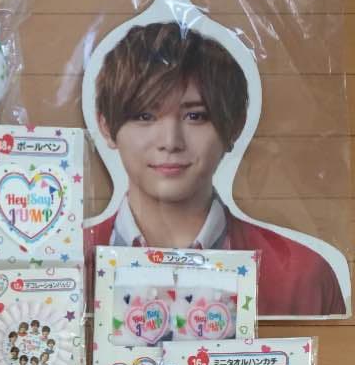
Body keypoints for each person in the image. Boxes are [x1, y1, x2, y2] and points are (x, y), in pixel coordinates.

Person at [87, 22, 345, 316]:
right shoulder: (65, 265)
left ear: (234, 125)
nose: (170, 142)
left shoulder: (301, 276)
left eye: (195, 116)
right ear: (105, 125)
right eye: (145, 115)